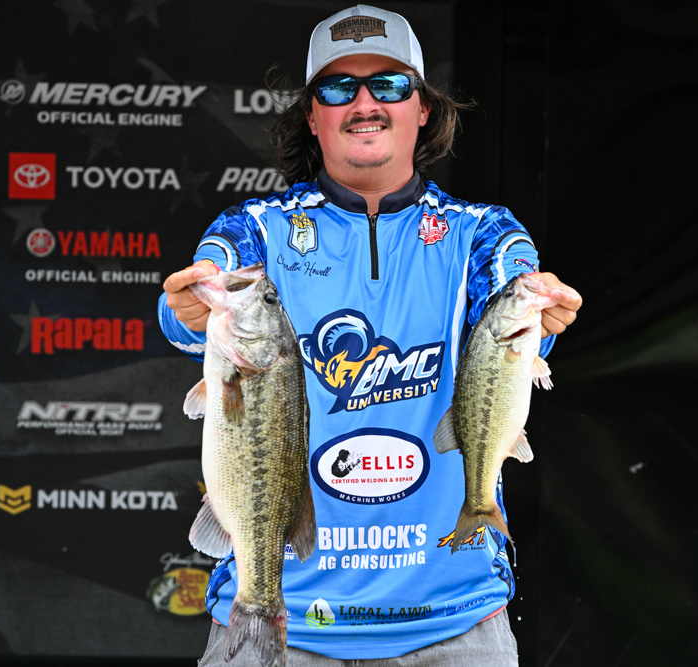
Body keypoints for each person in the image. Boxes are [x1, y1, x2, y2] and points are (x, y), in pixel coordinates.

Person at [158, 5, 582, 665]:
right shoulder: (257, 228)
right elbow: (197, 302)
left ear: (423, 108)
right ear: (312, 115)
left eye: (388, 84)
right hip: (282, 619)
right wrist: (186, 306)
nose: (364, 103)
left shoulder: (482, 233)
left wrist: (543, 313)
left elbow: (515, 318)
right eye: (337, 88)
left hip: (455, 622)